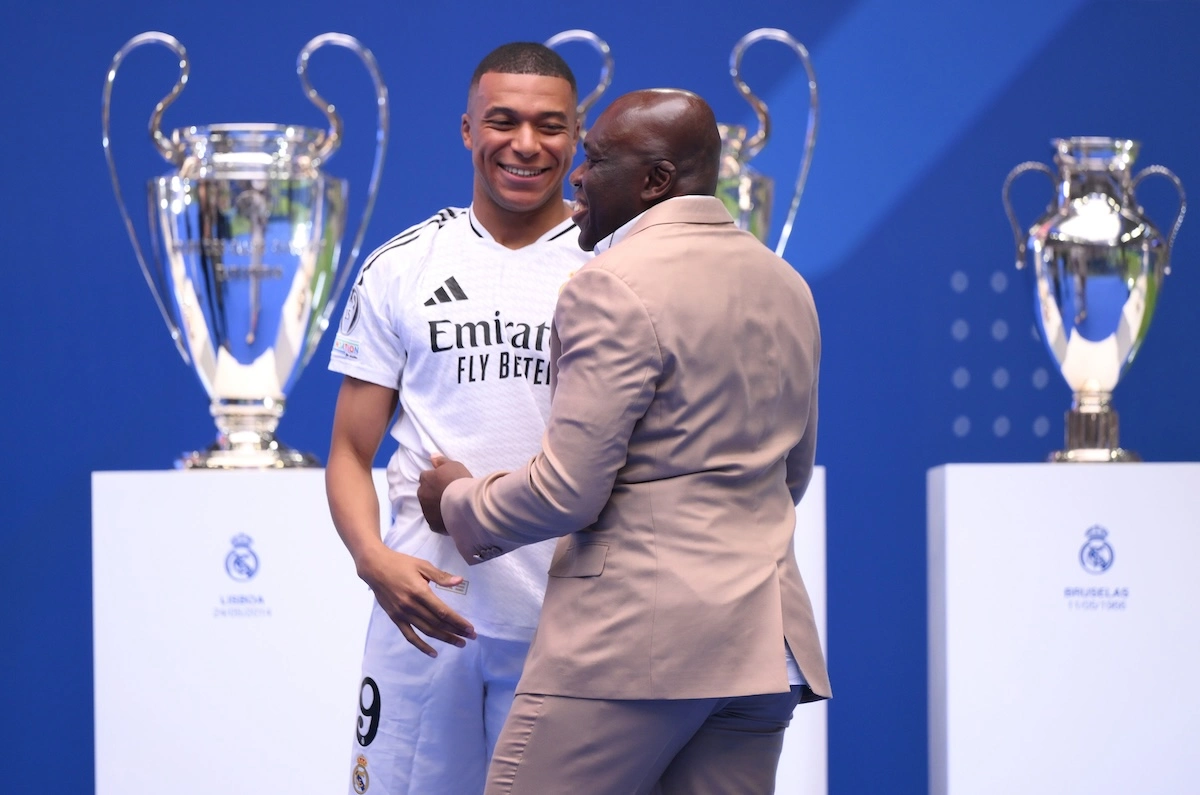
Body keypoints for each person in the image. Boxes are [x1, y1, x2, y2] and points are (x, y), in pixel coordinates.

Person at [417, 88, 830, 795]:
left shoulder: (608, 284)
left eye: (597, 159)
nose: (576, 173)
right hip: (765, 650)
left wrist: (456, 498)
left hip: (637, 647)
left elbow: (567, 490)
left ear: (655, 182)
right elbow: (791, 475)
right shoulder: (787, 284)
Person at [324, 41, 592, 795]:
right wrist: (372, 559)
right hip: (425, 618)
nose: (526, 145)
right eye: (502, 121)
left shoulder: (614, 267)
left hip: (567, 622)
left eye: (550, 126)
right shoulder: (401, 266)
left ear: (577, 137)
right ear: (468, 130)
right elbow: (349, 449)